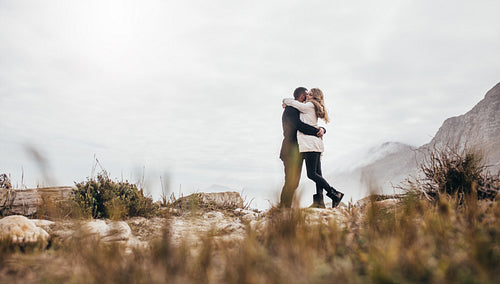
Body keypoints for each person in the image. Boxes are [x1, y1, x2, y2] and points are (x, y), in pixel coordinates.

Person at [283, 88, 344, 208]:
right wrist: (321, 129)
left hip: (310, 143)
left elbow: (301, 125)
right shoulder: (312, 107)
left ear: (315, 97)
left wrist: (285, 100)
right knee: (317, 173)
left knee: (311, 174)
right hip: (315, 143)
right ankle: (319, 201)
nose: (307, 96)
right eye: (307, 94)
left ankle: (335, 194)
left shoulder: (309, 105)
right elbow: (311, 124)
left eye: (310, 94)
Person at [279, 87, 325, 208]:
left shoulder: (300, 109)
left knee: (300, 179)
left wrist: (322, 129)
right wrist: (317, 131)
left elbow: (310, 123)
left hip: (301, 149)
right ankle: (284, 208)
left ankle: (319, 202)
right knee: (291, 181)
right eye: (307, 95)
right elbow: (300, 126)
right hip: (290, 150)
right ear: (301, 97)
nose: (309, 98)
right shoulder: (290, 110)